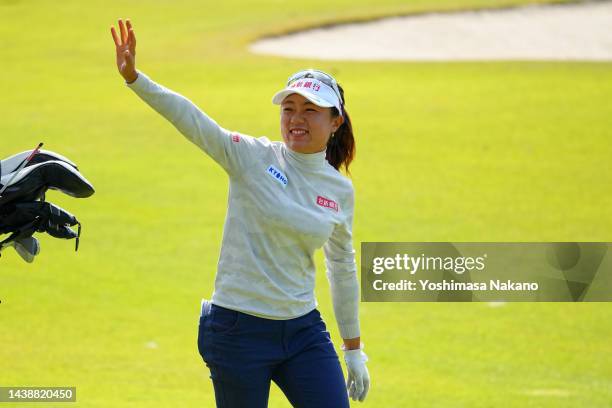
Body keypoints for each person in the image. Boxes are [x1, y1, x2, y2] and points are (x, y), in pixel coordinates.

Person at [110, 18, 370, 407]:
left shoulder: (339, 190)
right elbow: (193, 121)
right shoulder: (251, 156)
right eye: (289, 108)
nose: (296, 119)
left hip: (302, 331)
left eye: (310, 110)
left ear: (335, 122)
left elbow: (343, 268)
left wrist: (353, 349)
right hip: (238, 328)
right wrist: (135, 77)